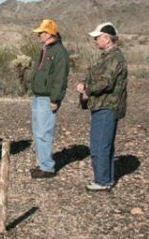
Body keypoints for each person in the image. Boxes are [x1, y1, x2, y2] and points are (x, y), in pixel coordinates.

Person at [76, 22, 128, 191]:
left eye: (97, 38)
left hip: (107, 106)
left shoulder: (114, 58)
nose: (95, 41)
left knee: (99, 145)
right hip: (101, 105)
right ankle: (106, 178)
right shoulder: (107, 57)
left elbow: (106, 82)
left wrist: (87, 90)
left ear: (107, 38)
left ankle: (102, 181)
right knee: (104, 144)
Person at [29, 19, 70, 178]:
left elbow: (60, 78)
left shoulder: (59, 52)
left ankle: (47, 167)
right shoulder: (46, 49)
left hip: (47, 98)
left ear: (50, 33)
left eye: (42, 32)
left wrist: (55, 99)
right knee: (38, 132)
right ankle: (43, 164)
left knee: (44, 133)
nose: (39, 35)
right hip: (39, 96)